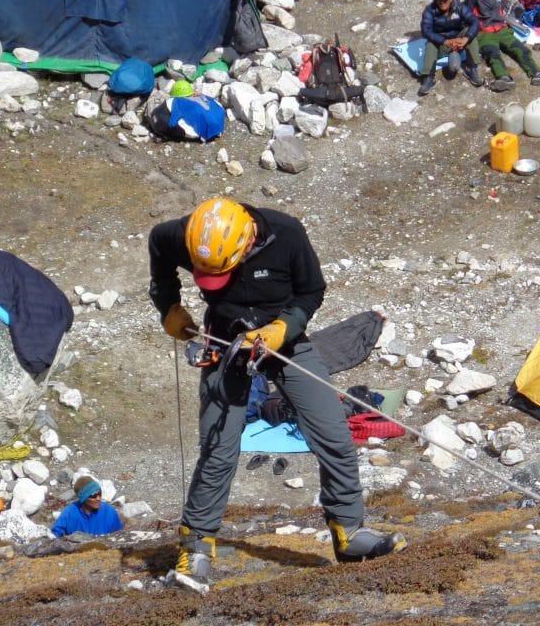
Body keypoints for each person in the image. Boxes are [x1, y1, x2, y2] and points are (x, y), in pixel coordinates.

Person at [148, 197, 406, 589]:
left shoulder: (287, 234)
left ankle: (349, 534)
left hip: (284, 342)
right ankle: (196, 549)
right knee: (219, 448)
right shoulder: (181, 236)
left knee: (333, 433)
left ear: (247, 242)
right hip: (225, 341)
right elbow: (158, 247)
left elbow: (312, 291)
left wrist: (284, 327)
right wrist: (167, 305)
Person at [417, 0, 483, 96]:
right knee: (430, 43)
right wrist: (444, 41)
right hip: (441, 44)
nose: (442, 2)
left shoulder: (460, 7)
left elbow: (475, 22)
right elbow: (426, 31)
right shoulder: (429, 11)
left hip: (459, 41)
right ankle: (429, 77)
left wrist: (466, 39)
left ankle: (472, 69)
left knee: (470, 33)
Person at [50, 475, 124, 538]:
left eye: (99, 493)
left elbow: (120, 536)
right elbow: (55, 535)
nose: (98, 498)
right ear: (83, 498)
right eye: (93, 495)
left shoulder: (109, 512)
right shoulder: (69, 513)